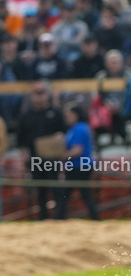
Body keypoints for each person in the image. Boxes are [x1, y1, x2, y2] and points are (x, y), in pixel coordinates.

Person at [17, 81, 64, 220]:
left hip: (52, 157)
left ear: (47, 94)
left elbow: (64, 131)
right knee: (40, 190)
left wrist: (60, 137)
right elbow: (21, 140)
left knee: (56, 188)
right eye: (36, 93)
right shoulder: (26, 116)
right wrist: (24, 154)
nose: (39, 97)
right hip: (35, 158)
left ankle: (59, 218)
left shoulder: (55, 113)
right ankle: (42, 218)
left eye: (42, 93)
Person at [56, 104, 100, 220]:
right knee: (81, 194)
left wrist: (61, 155)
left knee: (68, 194)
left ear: (76, 115)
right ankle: (94, 218)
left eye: (69, 115)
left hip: (79, 166)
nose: (66, 118)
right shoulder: (76, 128)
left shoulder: (79, 128)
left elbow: (77, 150)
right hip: (76, 166)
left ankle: (59, 218)